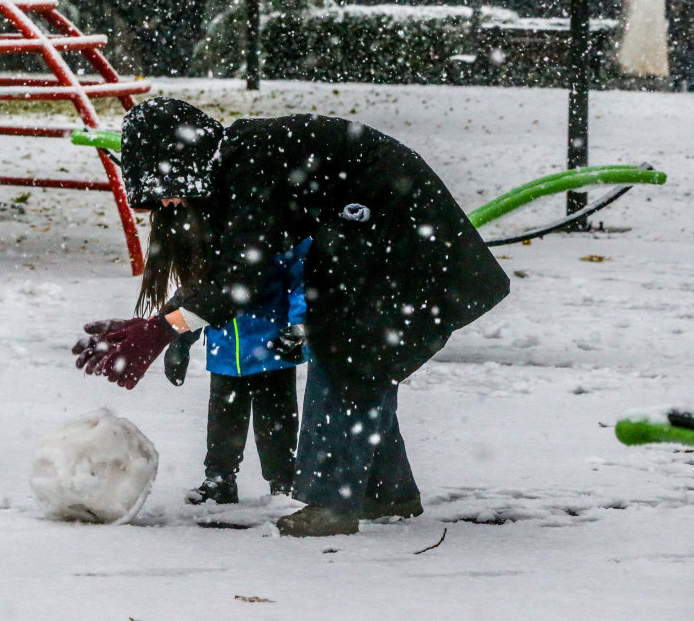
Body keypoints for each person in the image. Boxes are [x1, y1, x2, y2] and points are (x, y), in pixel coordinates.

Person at [73, 96, 509, 537]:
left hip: (406, 246)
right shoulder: (235, 166)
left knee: (348, 357)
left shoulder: (250, 166)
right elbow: (233, 272)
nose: (165, 204)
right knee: (361, 362)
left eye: (163, 188)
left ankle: (332, 504)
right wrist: (153, 325)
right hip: (383, 245)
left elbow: (244, 278)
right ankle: (386, 492)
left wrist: (164, 330)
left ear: (184, 162)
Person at [166, 238, 311, 506]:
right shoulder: (215, 231)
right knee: (224, 417)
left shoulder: (281, 230)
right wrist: (181, 339)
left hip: (273, 346)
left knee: (276, 419)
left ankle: (283, 481)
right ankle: (220, 477)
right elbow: (199, 295)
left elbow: (301, 281)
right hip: (226, 349)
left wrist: (298, 325)